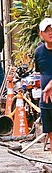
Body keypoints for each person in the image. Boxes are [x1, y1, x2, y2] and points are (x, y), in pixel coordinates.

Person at [34, 18, 52, 154]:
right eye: (47, 30)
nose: (50, 33)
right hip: (46, 100)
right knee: (50, 133)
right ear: (41, 34)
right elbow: (40, 72)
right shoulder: (39, 52)